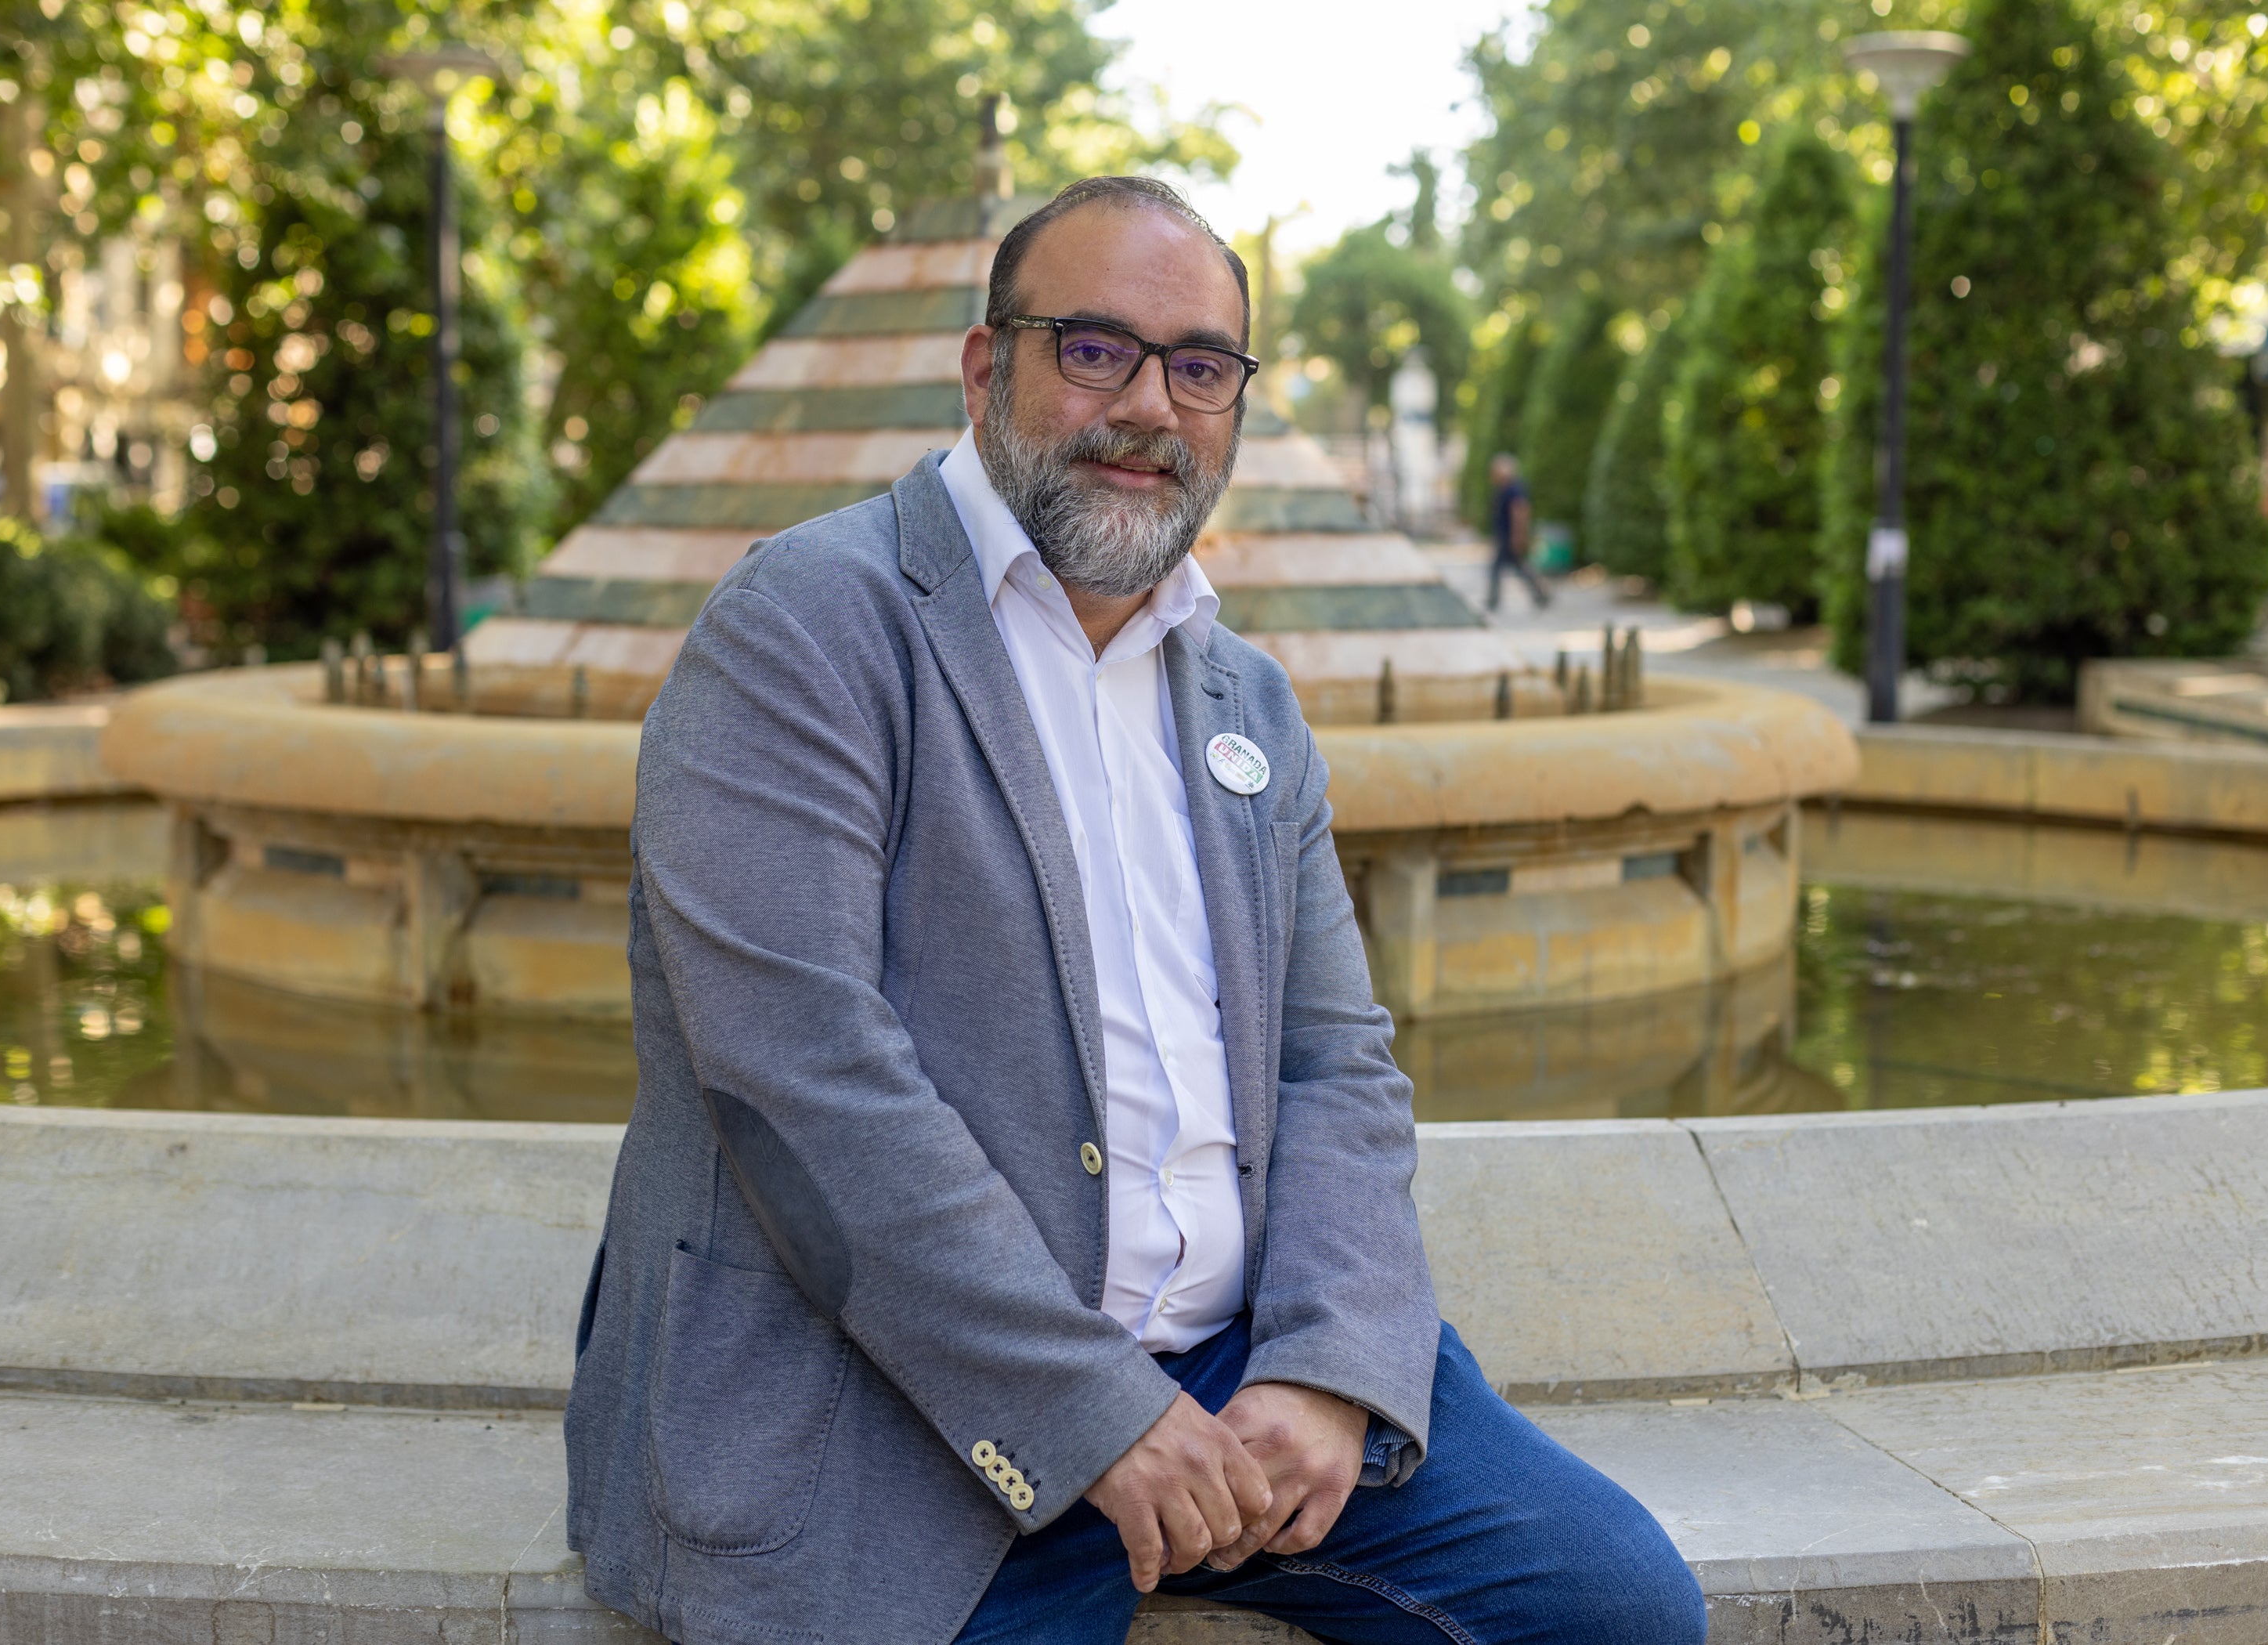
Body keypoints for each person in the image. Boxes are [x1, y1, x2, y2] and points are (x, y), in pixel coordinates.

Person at [563, 175, 1706, 1645]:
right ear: (988, 368)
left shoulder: (1245, 696)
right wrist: (1091, 1411)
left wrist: (1332, 1366)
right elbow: (802, 1080)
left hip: (1240, 1372)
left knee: (1616, 1610)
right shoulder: (805, 627)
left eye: (1199, 367)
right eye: (1094, 348)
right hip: (895, 1416)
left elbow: (1333, 1064)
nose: (1150, 406)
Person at [1487, 451, 1551, 613]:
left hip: (1510, 536)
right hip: (1505, 535)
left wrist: (1519, 536)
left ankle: (1494, 600)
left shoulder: (1514, 489)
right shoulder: (1504, 489)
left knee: (1505, 568)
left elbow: (1521, 512)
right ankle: (1540, 594)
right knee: (1517, 568)